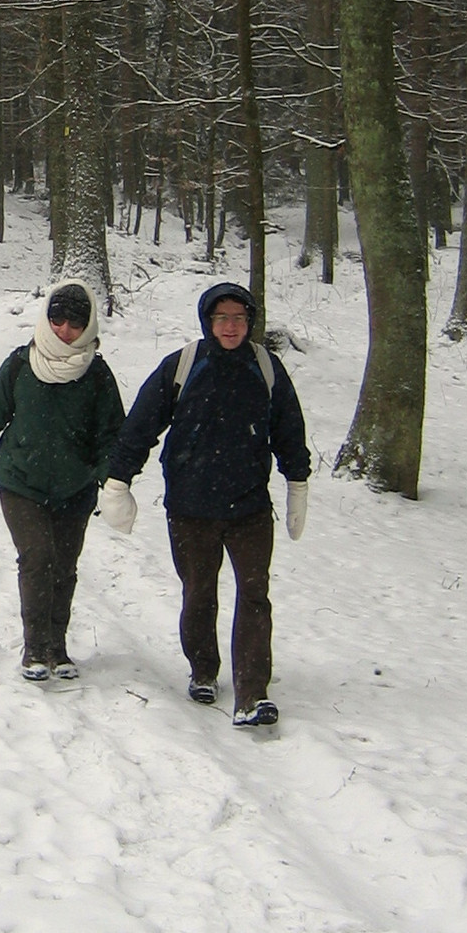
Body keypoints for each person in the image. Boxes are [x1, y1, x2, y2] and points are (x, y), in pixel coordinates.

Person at [100, 281, 310, 727]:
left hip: (250, 507)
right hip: (190, 507)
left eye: (239, 318)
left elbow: (289, 428)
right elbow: (142, 424)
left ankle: (252, 694)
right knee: (199, 593)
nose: (230, 326)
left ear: (250, 322)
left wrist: (298, 484)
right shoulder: (183, 365)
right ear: (207, 321)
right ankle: (203, 669)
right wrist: (118, 480)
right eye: (221, 318)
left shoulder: (265, 367)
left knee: (254, 595)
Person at [0, 280, 125, 682]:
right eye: (57, 319)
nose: (65, 330)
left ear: (88, 326)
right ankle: (35, 648)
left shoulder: (97, 374)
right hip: (21, 482)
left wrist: (115, 483)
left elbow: (112, 436)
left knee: (64, 565)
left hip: (75, 486)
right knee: (37, 558)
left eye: (75, 323)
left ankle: (57, 647)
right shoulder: (20, 365)